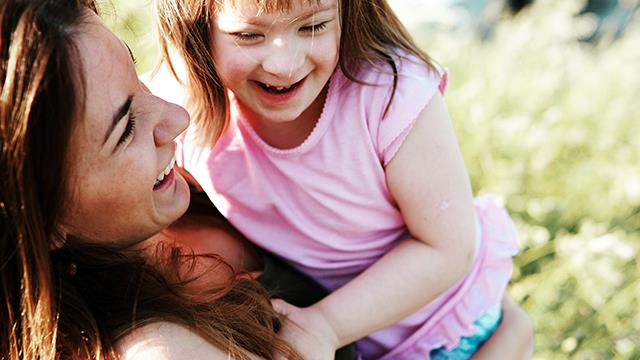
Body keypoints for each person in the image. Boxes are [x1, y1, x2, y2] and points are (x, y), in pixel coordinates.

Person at [153, 0, 531, 358]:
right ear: (197, 29)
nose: (284, 64)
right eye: (249, 35)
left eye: (314, 25)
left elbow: (448, 247)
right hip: (355, 338)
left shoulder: (388, 94)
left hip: (446, 327)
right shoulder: (181, 111)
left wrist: (327, 325)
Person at [0, 0, 318, 358]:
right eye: (126, 130)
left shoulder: (186, 173)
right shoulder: (162, 349)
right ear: (42, 220)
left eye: (136, 74)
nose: (177, 118)